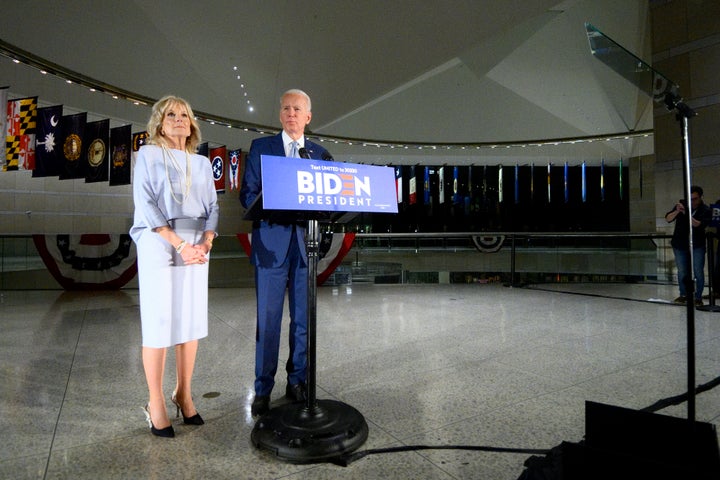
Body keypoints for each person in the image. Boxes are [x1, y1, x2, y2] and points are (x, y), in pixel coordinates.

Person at [130, 95, 219, 437]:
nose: (179, 119)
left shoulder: (200, 162)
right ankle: (156, 403)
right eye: (171, 114)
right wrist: (179, 244)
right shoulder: (147, 155)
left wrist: (204, 243)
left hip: (196, 243)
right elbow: (147, 204)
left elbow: (212, 206)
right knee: (160, 322)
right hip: (160, 241)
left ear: (192, 123)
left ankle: (183, 393)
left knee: (190, 320)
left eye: (185, 114)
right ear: (159, 122)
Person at [239, 89, 330, 417]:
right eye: (286, 108)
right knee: (270, 321)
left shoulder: (319, 154)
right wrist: (272, 202)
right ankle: (263, 389)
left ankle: (297, 382)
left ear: (308, 117)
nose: (292, 113)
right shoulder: (261, 148)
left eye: (298, 109)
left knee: (303, 322)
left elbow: (328, 201)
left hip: (306, 248)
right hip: (270, 246)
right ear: (280, 114)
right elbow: (247, 194)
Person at [665, 185, 711, 307]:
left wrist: (687, 214)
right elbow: (668, 218)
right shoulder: (680, 205)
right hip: (680, 243)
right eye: (689, 199)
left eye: (695, 199)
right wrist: (677, 211)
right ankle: (683, 294)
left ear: (700, 198)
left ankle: (698, 297)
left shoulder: (705, 210)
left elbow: (698, 225)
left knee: (698, 271)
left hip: (697, 244)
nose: (692, 201)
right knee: (682, 271)